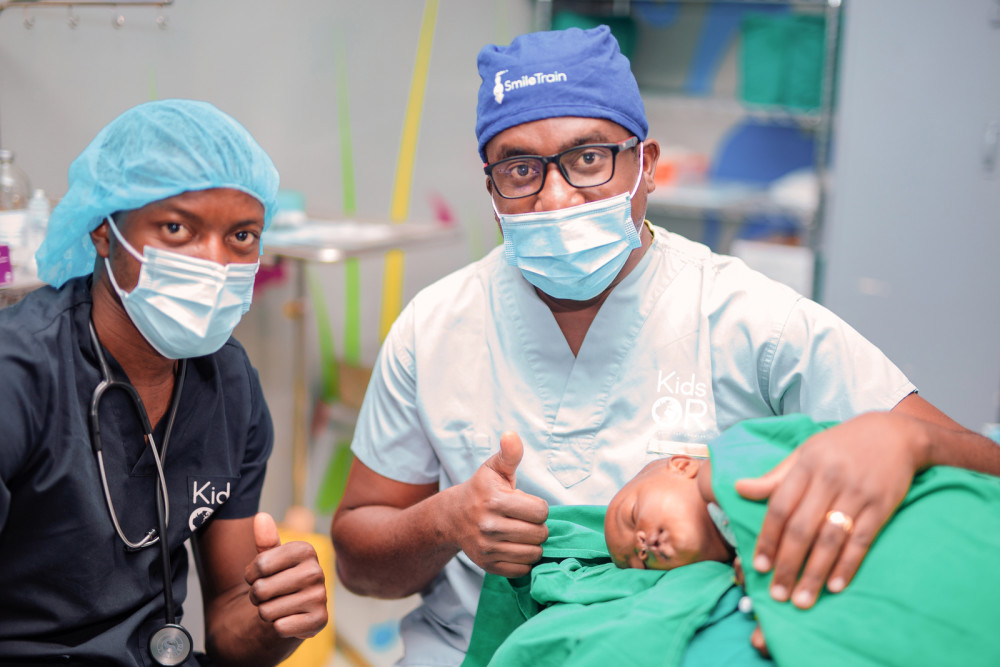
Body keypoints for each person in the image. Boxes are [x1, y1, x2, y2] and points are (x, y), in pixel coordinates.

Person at [330, 26, 1000, 665]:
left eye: (589, 158)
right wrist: (445, 522)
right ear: (492, 189)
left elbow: (984, 467)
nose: (557, 197)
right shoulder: (435, 326)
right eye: (521, 170)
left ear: (646, 166)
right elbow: (359, 559)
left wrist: (908, 440)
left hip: (676, 644)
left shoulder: (748, 318)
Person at [0, 99, 328, 666]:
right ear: (103, 231)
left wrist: (278, 617)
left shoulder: (231, 385)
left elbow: (228, 627)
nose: (215, 263)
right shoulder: (19, 373)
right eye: (177, 228)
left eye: (242, 236)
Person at [603, 414, 1000, 665]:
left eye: (632, 516)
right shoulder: (737, 563)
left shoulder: (726, 467)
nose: (639, 546)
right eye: (633, 561)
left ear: (683, 465)